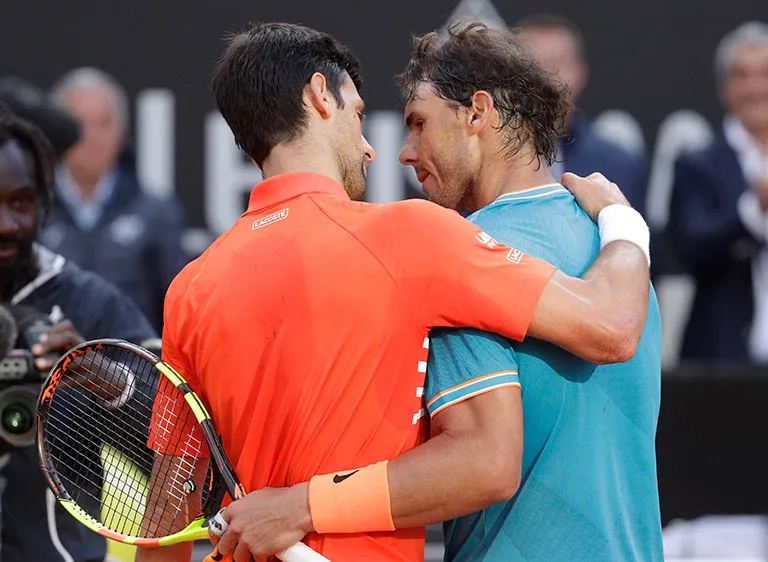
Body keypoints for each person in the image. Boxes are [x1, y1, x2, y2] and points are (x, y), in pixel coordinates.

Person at [136, 22, 650, 562]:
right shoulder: (409, 236)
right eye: (359, 115)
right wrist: (623, 223)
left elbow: (168, 511)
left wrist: (296, 506)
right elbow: (611, 325)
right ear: (320, 96)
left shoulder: (190, 289)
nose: (371, 149)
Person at [0, 104, 157, 562]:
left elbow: (186, 457)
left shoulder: (89, 303)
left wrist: (104, 378)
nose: (6, 224)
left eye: (21, 202)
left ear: (45, 201)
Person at [41, 67, 188, 332]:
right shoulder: (32, 211)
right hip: (48, 356)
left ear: (122, 131)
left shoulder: (156, 213)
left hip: (132, 355)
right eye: (79, 123)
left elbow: (179, 311)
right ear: (56, 132)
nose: (92, 137)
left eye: (104, 123)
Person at [669, 22, 768, 363]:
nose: (756, 87)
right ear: (724, 89)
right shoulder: (698, 165)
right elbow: (691, 247)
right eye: (742, 75)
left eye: (765, 73)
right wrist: (755, 209)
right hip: (724, 364)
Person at [516, 13, 648, 216]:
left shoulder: (620, 165)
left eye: (557, 64)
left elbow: (634, 234)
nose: (545, 78)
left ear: (581, 72)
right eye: (533, 65)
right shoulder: (487, 165)